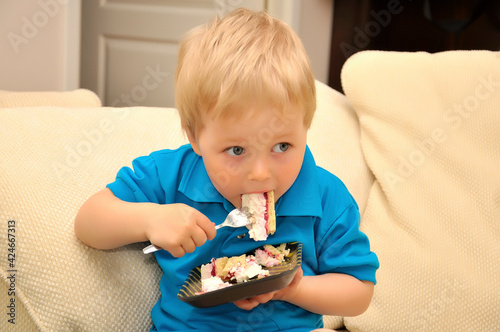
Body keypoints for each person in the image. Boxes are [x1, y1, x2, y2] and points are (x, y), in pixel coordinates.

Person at [74, 8, 379, 332]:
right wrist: (150, 219)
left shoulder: (326, 195)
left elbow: (359, 291)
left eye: (282, 147)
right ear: (195, 137)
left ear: (306, 127)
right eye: (236, 150)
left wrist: (293, 288)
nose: (260, 173)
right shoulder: (172, 175)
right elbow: (88, 222)